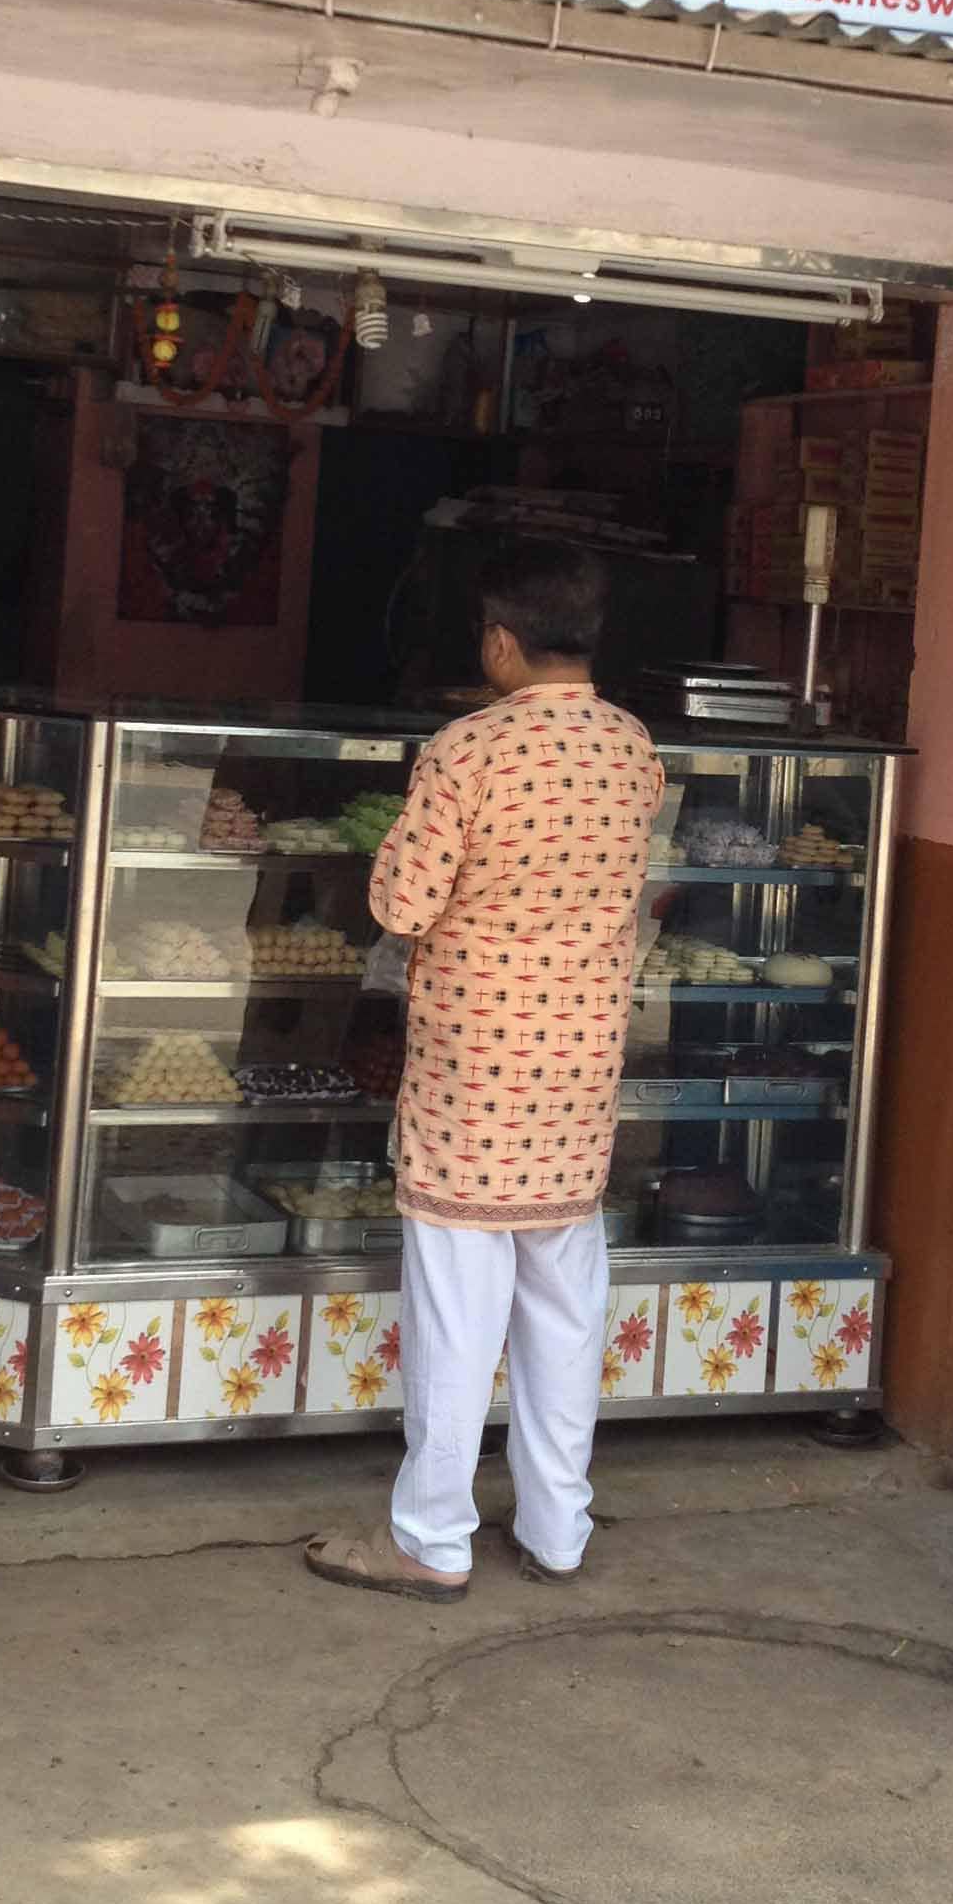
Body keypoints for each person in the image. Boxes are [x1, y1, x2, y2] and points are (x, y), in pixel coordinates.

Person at [306, 538, 663, 1600]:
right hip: (580, 1073)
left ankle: (432, 1538)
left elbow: (401, 906)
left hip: (477, 1077)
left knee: (459, 1315)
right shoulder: (631, 747)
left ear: (501, 643)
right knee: (564, 1307)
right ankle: (558, 1531)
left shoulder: (470, 751)